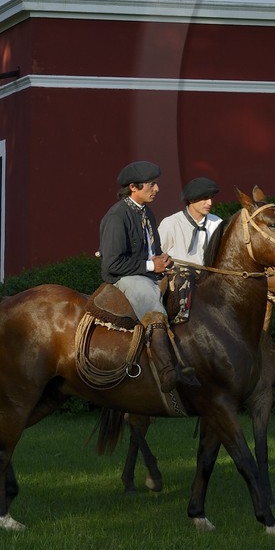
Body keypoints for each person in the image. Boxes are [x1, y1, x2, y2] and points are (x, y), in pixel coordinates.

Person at [99, 160, 198, 391]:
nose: (157, 189)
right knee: (153, 307)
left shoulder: (147, 213)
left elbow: (153, 253)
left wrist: (164, 260)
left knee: (192, 284)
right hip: (126, 278)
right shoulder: (116, 216)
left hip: (149, 274)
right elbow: (112, 264)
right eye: (151, 185)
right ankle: (167, 372)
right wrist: (152, 266)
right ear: (133, 187)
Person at [159, 176, 222, 263]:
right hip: (179, 274)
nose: (210, 203)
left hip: (210, 275)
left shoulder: (217, 223)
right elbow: (158, 254)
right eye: (205, 198)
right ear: (191, 199)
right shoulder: (171, 223)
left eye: (211, 198)